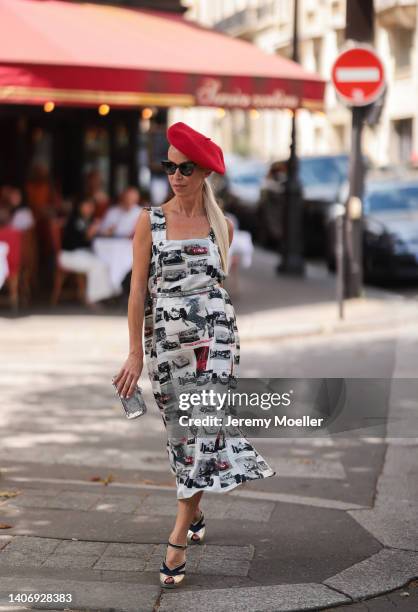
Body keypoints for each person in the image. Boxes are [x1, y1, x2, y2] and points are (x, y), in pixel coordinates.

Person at [113, 122, 275, 589]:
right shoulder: (150, 221)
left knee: (204, 431)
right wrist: (133, 354)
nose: (176, 175)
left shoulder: (220, 225)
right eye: (170, 166)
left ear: (204, 172)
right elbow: (136, 293)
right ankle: (197, 507)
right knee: (184, 440)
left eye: (185, 167)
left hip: (217, 346)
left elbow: (219, 291)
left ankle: (178, 538)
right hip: (165, 348)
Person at [59, 198, 114, 309]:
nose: (89, 209)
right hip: (69, 255)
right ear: (80, 207)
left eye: (91, 207)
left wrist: (104, 232)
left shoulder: (89, 220)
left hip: (82, 254)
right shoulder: (74, 220)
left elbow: (93, 237)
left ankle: (103, 295)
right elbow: (78, 240)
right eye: (86, 206)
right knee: (98, 265)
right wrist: (90, 233)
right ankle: (92, 298)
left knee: (105, 263)